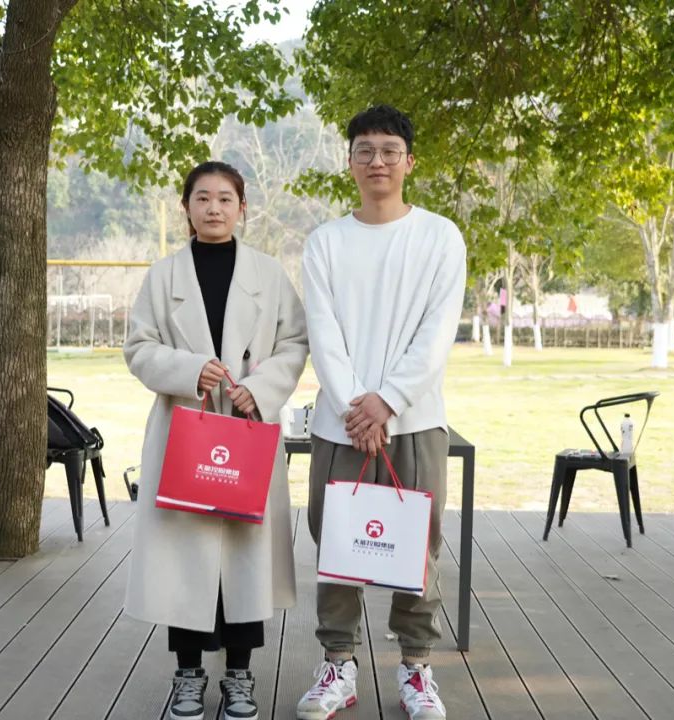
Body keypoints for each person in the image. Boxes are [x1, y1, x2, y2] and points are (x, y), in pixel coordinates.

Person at [297, 105, 466, 720]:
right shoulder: (325, 242)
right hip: (340, 424)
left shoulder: (440, 236)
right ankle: (338, 664)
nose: (377, 161)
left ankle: (417, 667)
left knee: (418, 542)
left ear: (409, 161)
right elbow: (323, 333)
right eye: (364, 150)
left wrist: (387, 400)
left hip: (414, 420)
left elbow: (437, 331)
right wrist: (356, 406)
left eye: (389, 150)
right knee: (337, 538)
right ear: (349, 162)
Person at [123, 160, 308, 720]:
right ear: (185, 207)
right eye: (202, 198)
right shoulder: (163, 276)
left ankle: (239, 676)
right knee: (187, 559)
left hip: (247, 430)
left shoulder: (269, 274)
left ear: (242, 208)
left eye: (225, 199)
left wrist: (260, 389)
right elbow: (138, 348)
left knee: (246, 558)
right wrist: (188, 369)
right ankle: (187, 675)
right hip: (186, 429)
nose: (213, 208)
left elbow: (294, 343)